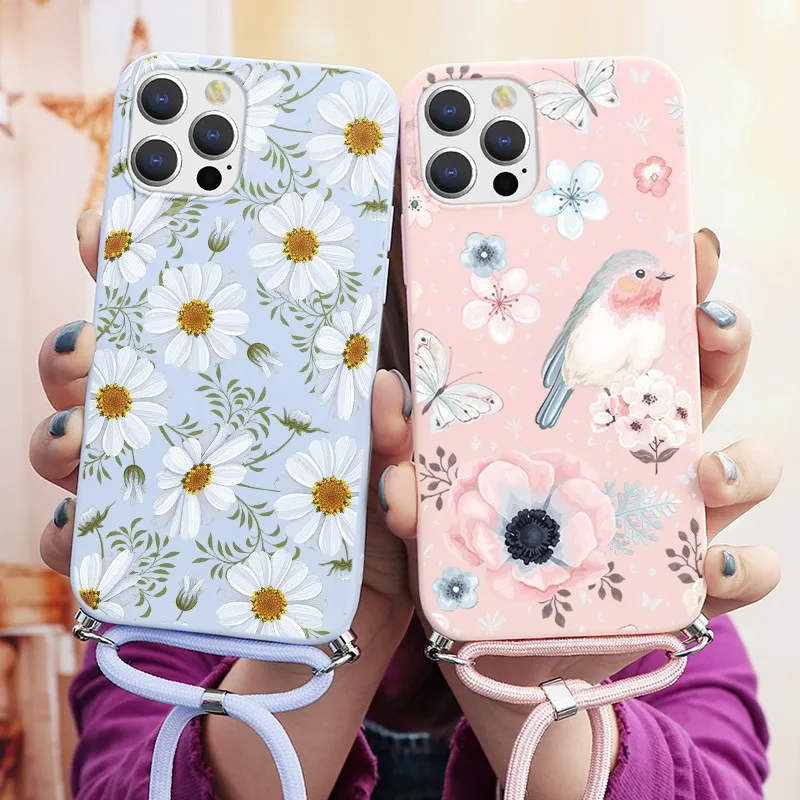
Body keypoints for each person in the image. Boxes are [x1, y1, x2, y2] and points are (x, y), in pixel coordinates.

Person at [30, 213, 780, 800]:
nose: (403, 378)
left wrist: (519, 683)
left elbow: (723, 778)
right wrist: (346, 616)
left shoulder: (641, 590)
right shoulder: (184, 587)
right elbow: (118, 776)